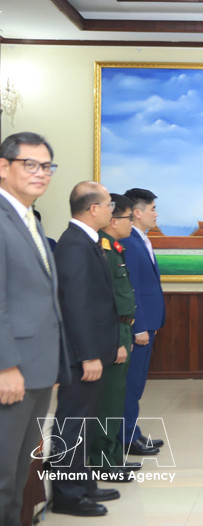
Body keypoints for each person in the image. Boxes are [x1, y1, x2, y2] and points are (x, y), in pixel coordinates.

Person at [0, 132, 70, 526]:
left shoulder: (29, 220)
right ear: (3, 167)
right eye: (30, 164)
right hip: (11, 371)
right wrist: (5, 365)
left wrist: (53, 362)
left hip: (37, 370)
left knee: (17, 476)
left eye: (46, 166)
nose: (41, 173)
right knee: (3, 479)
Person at [51, 181, 120, 517]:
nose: (112, 210)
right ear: (93, 209)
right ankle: (67, 493)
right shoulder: (75, 245)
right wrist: (88, 355)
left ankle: (83, 483)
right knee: (72, 422)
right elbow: (75, 305)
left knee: (86, 421)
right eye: (108, 204)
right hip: (83, 355)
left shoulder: (88, 240)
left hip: (95, 350)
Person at [87, 194, 142, 479]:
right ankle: (103, 462)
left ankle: (113, 457)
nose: (131, 223)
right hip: (113, 331)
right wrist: (118, 341)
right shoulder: (103, 250)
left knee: (116, 399)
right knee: (108, 402)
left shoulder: (115, 248)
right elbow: (103, 301)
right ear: (112, 220)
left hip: (122, 328)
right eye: (128, 218)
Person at [119, 188, 166, 455]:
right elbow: (132, 287)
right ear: (137, 212)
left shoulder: (141, 240)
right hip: (140, 327)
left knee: (136, 385)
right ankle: (126, 439)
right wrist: (138, 327)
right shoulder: (129, 242)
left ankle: (132, 432)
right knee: (131, 385)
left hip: (149, 323)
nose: (156, 214)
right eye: (152, 209)